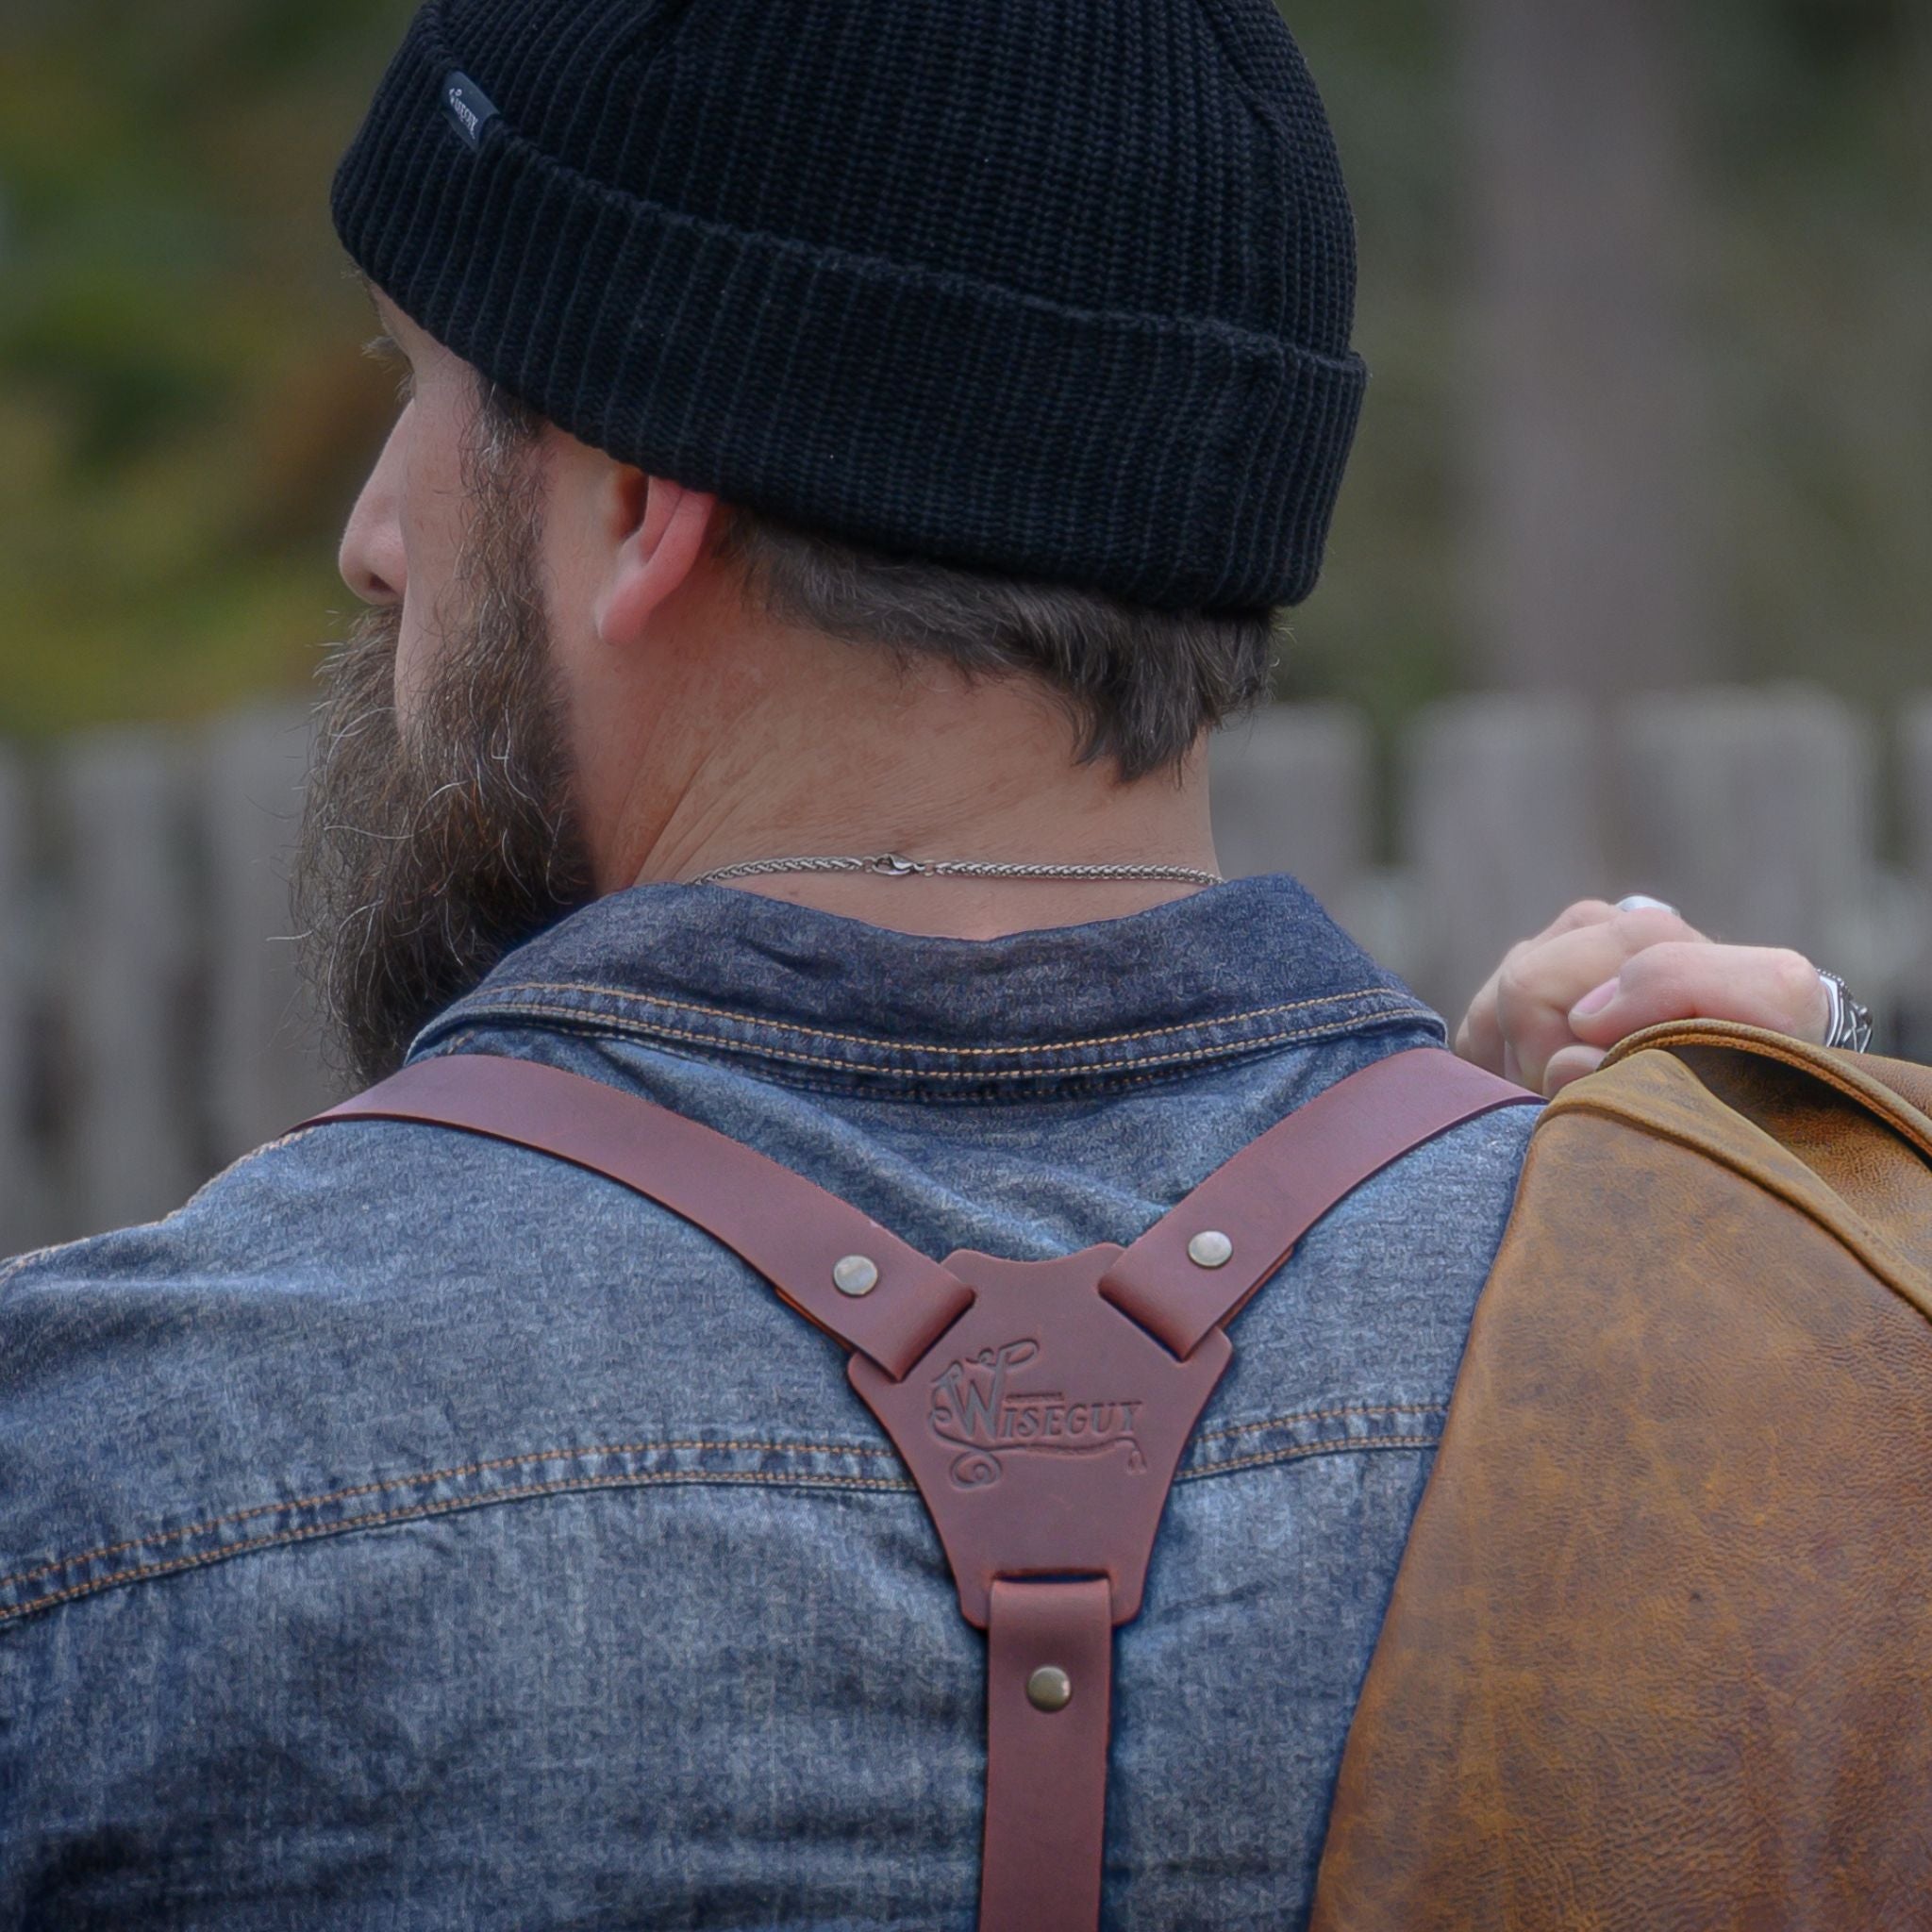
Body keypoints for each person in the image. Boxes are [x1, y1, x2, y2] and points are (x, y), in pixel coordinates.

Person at [0, 2, 1852, 1924]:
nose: (375, 533)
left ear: (638, 501)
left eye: (424, 388)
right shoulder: (1789, 1407)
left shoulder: (95, 1482)